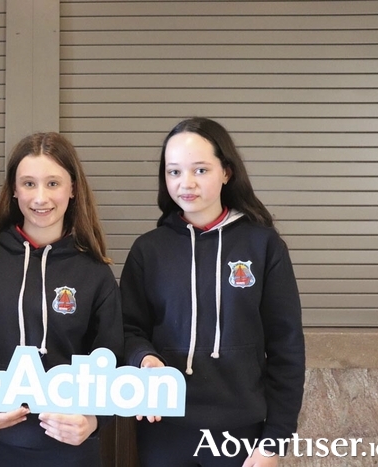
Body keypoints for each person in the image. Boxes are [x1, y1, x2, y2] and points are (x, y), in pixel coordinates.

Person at [121, 117, 305, 467]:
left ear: (226, 172)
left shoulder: (264, 246)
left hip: (240, 433)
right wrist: (143, 358)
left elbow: (287, 347)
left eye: (200, 170)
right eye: (174, 172)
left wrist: (276, 440)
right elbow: (127, 329)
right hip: (162, 429)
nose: (186, 183)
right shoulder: (148, 250)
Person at [0, 132, 123, 466]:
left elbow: (112, 362)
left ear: (73, 189)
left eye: (53, 183)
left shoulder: (95, 272)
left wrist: (93, 421)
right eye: (28, 184)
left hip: (73, 451)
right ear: (13, 190)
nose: (40, 197)